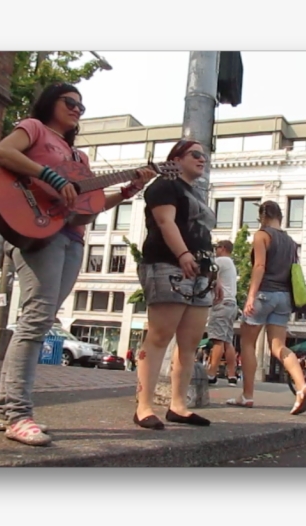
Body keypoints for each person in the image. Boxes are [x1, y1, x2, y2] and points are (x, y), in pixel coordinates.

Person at [0, 82, 156, 446]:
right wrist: (47, 175)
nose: (78, 109)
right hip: (35, 231)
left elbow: (85, 211)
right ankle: (18, 414)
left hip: (70, 238)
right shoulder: (33, 129)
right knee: (35, 320)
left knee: (42, 319)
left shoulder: (79, 160)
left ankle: (5, 411)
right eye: (70, 102)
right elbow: (2, 152)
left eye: (82, 106)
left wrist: (129, 191)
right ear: (51, 102)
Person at [134, 139, 221, 430]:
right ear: (177, 158)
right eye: (196, 154)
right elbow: (164, 221)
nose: (202, 159)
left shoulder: (194, 193)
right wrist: (182, 254)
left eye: (204, 156)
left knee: (190, 342)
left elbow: (204, 237)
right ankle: (143, 406)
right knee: (160, 335)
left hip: (198, 272)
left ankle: (178, 405)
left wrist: (212, 275)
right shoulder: (164, 186)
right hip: (167, 264)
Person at [227, 201, 306, 414]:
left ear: (261, 217)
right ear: (281, 217)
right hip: (284, 297)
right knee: (278, 347)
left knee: (247, 343)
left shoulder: (261, 235)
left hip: (264, 293)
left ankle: (247, 395)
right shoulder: (291, 242)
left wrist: (251, 296)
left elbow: (259, 266)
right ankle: (302, 386)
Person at [205, 240, 240, 386]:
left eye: (217, 247)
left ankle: (211, 374)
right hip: (232, 304)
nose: (215, 250)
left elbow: (206, 271)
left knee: (217, 340)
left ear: (223, 248)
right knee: (227, 341)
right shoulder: (230, 264)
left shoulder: (221, 261)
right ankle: (232, 375)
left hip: (221, 303)